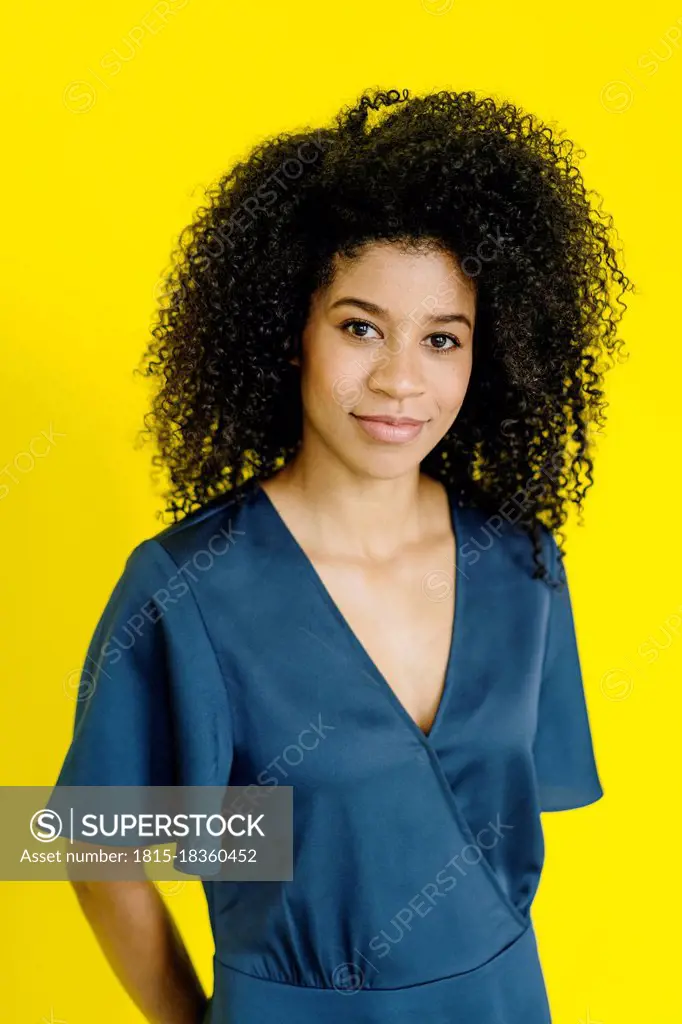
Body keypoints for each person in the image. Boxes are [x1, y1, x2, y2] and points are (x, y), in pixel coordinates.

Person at [50, 86, 630, 1023]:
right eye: (360, 327)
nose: (401, 379)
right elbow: (90, 842)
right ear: (291, 332)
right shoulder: (193, 591)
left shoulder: (523, 571)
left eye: (442, 339)